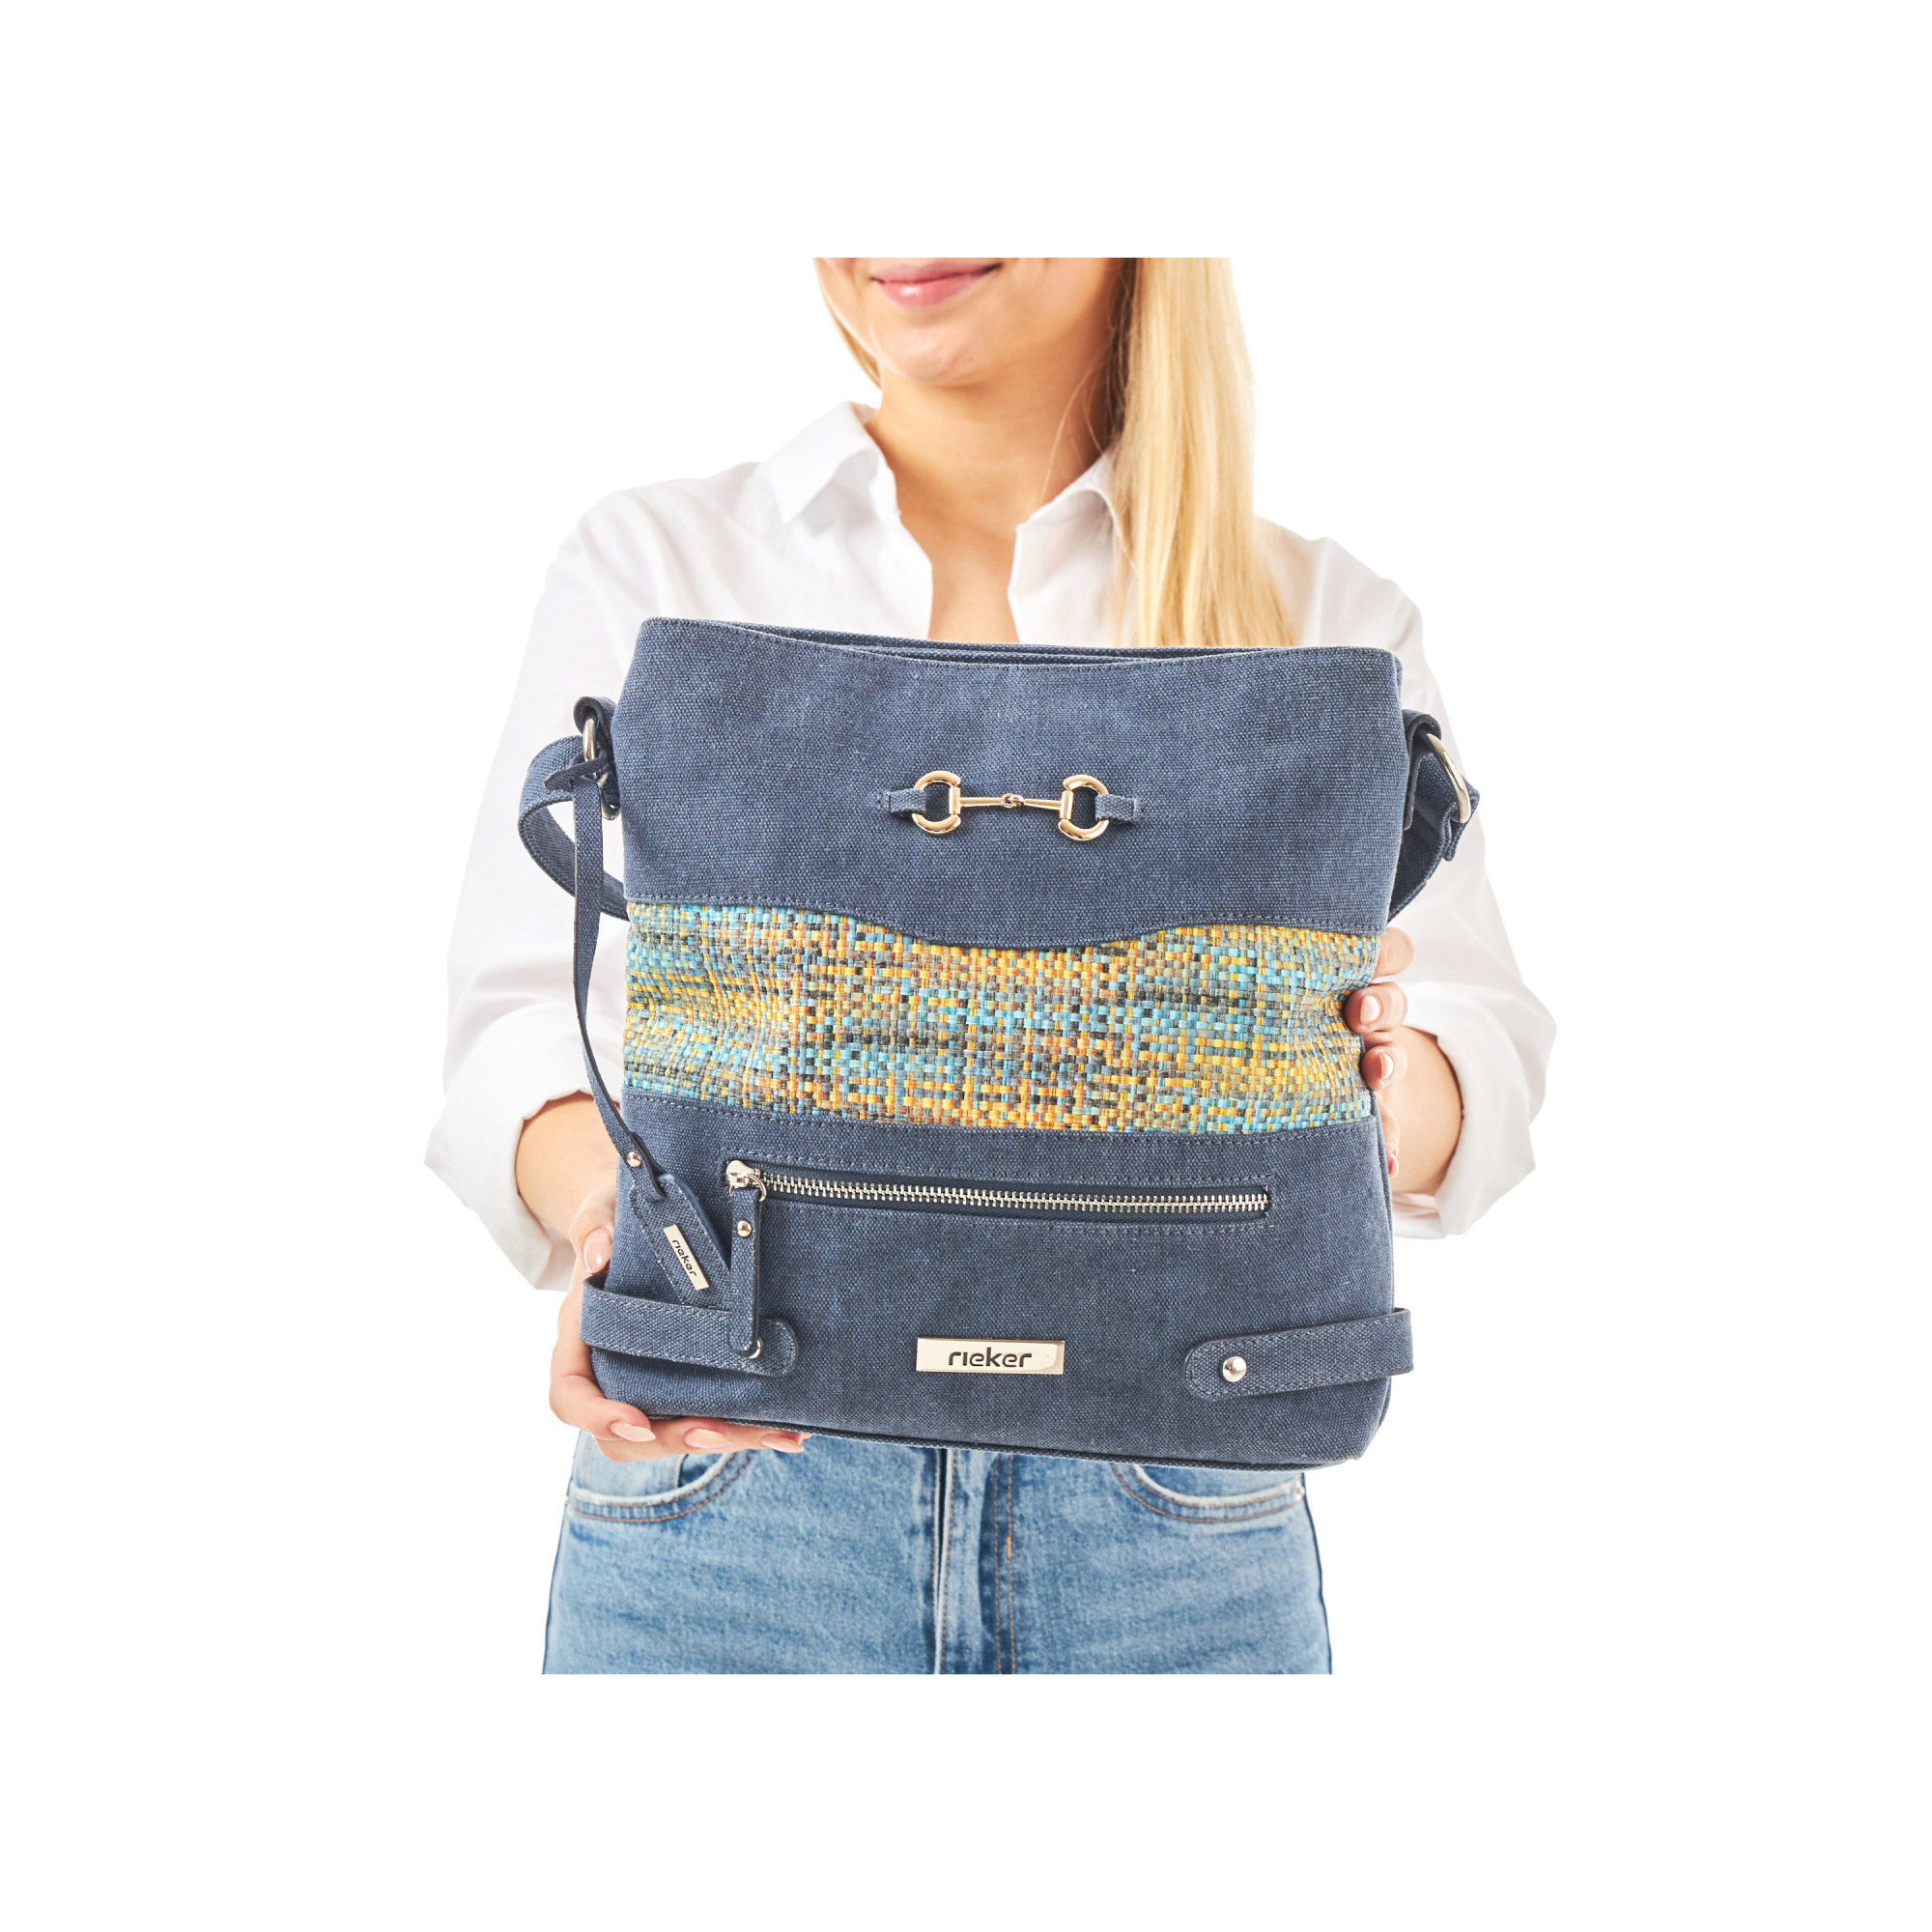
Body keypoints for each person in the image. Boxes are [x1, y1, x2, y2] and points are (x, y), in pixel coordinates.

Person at [428, 258, 1552, 1673]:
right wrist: (625, 1237)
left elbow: (1480, 1043)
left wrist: (1369, 1076)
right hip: (729, 1493)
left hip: (1181, 1508)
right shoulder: (659, 561)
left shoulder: (1320, 613)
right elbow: (518, 1018)